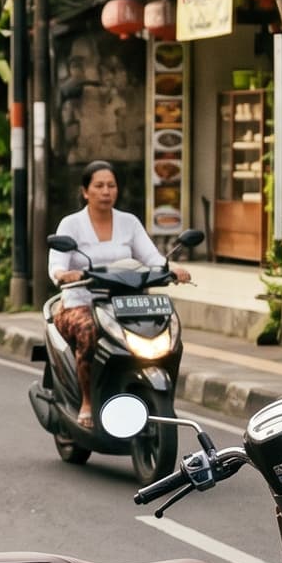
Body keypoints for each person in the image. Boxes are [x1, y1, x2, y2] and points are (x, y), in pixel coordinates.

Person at [47, 159, 191, 429]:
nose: (106, 191)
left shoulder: (129, 222)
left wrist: (173, 270)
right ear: (85, 191)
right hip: (81, 304)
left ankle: (164, 399)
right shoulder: (71, 224)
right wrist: (64, 274)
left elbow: (152, 258)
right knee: (88, 331)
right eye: (99, 186)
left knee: (168, 330)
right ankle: (88, 400)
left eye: (111, 185)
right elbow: (56, 265)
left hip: (126, 305)